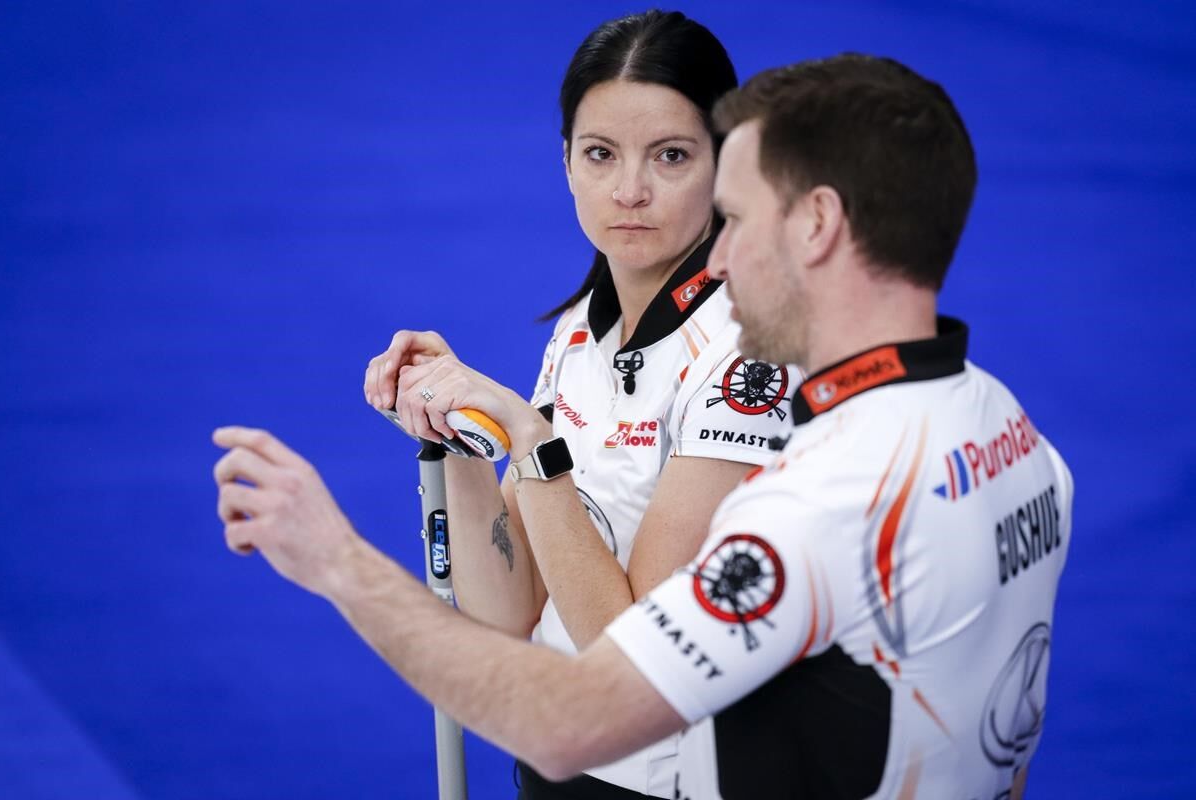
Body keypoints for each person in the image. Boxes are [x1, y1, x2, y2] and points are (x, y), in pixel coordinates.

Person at [214, 53, 1073, 799]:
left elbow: (567, 720)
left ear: (817, 224)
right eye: (599, 155)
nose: (721, 258)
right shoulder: (1016, 436)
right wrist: (476, 437)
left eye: (734, 218)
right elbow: (1009, 735)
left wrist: (337, 561)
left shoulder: (814, 508)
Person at [358, 10, 798, 799]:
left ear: (726, 163)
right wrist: (463, 437)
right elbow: (506, 617)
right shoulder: (578, 332)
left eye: (670, 156)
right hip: (558, 756)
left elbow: (629, 658)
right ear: (565, 162)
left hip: (676, 779)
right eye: (600, 155)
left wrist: (530, 442)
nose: (629, 191)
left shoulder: (747, 350)